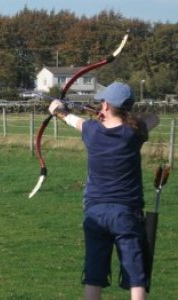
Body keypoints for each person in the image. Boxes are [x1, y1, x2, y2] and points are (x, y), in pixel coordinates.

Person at [48, 82, 159, 300]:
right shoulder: (133, 133)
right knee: (136, 275)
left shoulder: (92, 131)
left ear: (106, 105)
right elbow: (155, 117)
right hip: (126, 214)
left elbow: (70, 119)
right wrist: (127, 114)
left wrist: (57, 111)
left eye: (102, 102)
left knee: (93, 275)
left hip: (96, 212)